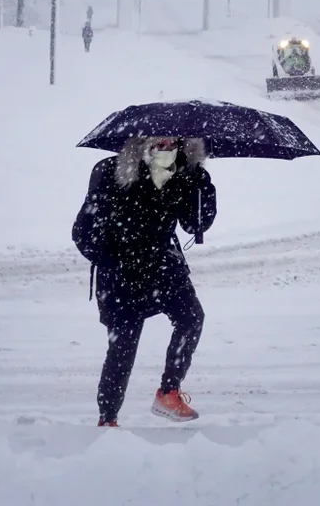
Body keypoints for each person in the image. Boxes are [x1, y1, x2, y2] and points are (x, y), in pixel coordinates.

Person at [72, 136, 216, 427]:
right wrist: (111, 258)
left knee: (191, 318)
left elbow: (194, 224)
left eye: (171, 139)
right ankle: (108, 418)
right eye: (157, 139)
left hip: (164, 264)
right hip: (122, 272)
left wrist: (202, 186)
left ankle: (168, 392)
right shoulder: (112, 171)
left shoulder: (186, 174)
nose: (165, 145)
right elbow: (83, 231)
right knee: (123, 346)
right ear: (141, 140)